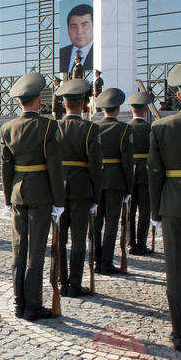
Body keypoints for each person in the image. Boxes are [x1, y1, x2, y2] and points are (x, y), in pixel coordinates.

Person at [148, 58, 181, 355]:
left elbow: (154, 172)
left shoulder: (161, 126)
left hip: (171, 204)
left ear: (179, 95)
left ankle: (179, 334)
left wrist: (156, 211)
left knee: (175, 273)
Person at [1, 72, 65, 321]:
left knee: (19, 249)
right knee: (35, 252)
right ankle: (33, 306)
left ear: (19, 102)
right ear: (38, 100)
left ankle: (19, 302)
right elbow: (55, 166)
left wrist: (8, 199)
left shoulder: (8, 128)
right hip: (40, 193)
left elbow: (6, 167)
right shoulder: (49, 126)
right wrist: (59, 201)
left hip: (18, 192)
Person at [54, 79, 102, 297]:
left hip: (59, 190)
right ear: (83, 104)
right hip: (82, 189)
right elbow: (95, 167)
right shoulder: (91, 128)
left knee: (59, 238)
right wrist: (96, 196)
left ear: (64, 104)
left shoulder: (54, 127)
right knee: (79, 239)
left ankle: (61, 281)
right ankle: (74, 283)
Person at [93, 88, 133, 275]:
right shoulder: (124, 129)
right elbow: (127, 162)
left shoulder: (94, 128)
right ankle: (106, 262)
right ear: (117, 109)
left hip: (96, 180)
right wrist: (128, 187)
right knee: (112, 224)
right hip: (116, 181)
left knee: (96, 223)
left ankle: (95, 259)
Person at [126, 91, 153, 255]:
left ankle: (130, 243)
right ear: (145, 111)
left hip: (129, 172)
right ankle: (141, 244)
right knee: (144, 210)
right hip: (145, 172)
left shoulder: (126, 129)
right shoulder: (150, 128)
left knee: (130, 210)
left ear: (131, 110)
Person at [59, 3, 93, 73]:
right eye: (74, 26)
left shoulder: (99, 52)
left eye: (84, 25)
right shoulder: (61, 54)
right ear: (68, 30)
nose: (79, 31)